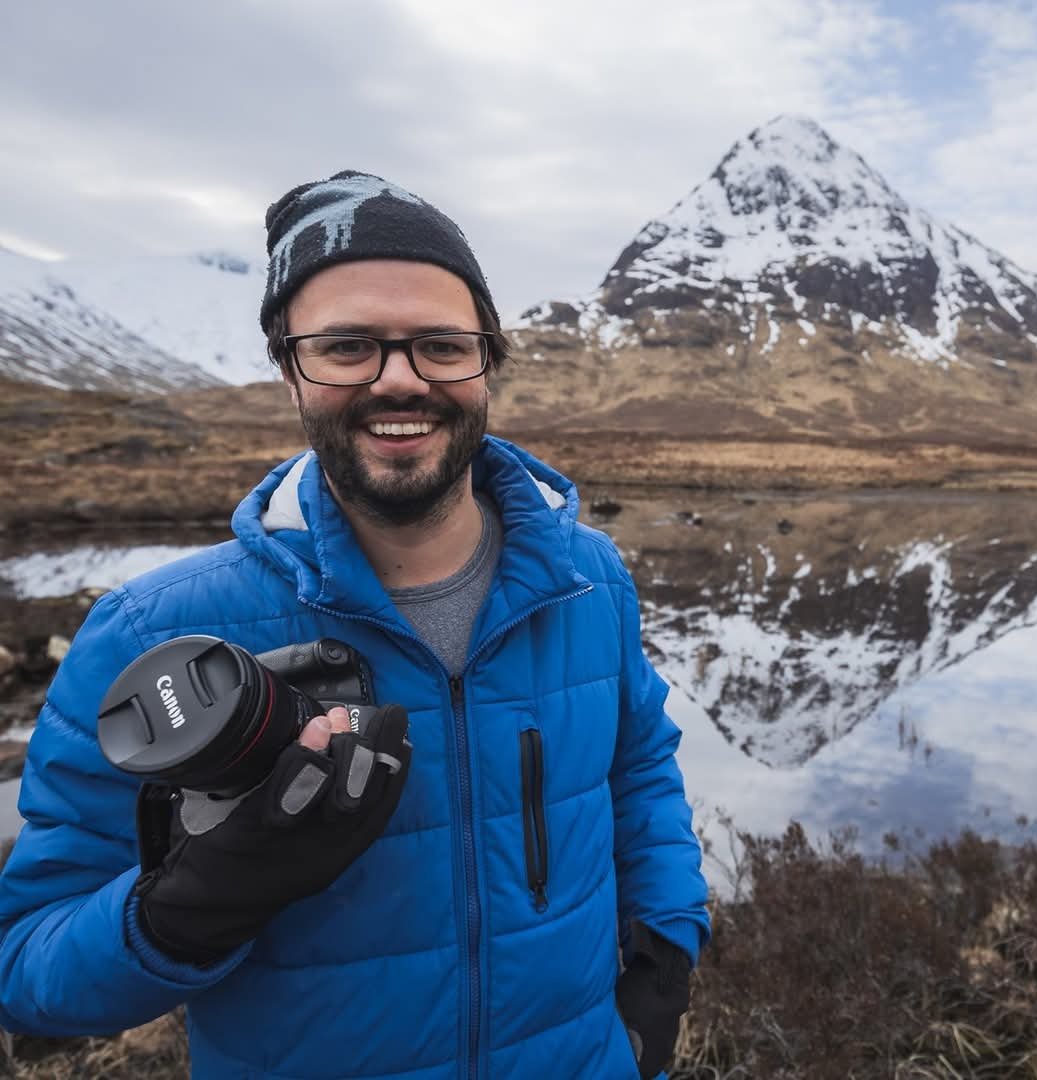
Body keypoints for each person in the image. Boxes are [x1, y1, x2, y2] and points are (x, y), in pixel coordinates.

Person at [0, 172, 709, 1078]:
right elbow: (26, 968)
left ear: (487, 359)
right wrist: (196, 903)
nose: (400, 380)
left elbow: (640, 773)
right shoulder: (153, 633)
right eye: (347, 347)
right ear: (288, 364)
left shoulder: (590, 581)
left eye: (441, 346)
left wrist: (665, 953)